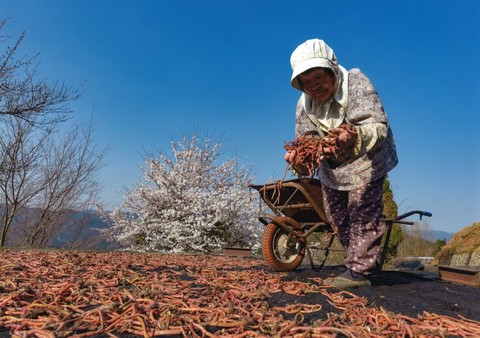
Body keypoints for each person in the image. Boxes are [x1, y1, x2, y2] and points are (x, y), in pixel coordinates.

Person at [284, 39, 398, 288]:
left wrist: (353, 135)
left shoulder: (355, 82)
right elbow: (307, 141)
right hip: (333, 165)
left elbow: (377, 125)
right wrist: (299, 159)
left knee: (362, 210)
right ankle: (363, 260)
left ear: (332, 69)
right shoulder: (304, 106)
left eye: (319, 77)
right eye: (307, 82)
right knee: (336, 216)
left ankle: (361, 271)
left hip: (367, 157)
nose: (315, 86)